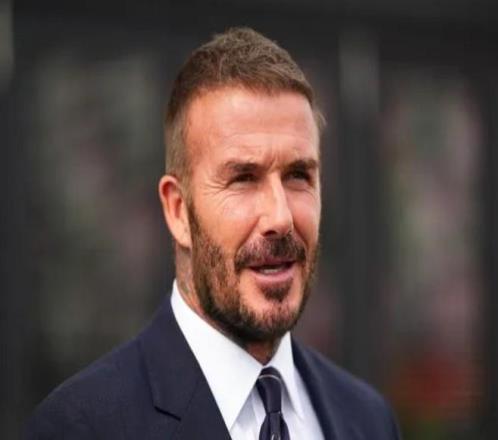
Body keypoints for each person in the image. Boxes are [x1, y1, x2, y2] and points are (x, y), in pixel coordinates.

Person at [24, 27, 400, 439]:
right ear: (178, 211)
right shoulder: (80, 427)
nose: (280, 217)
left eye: (298, 176)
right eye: (243, 179)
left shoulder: (368, 420)